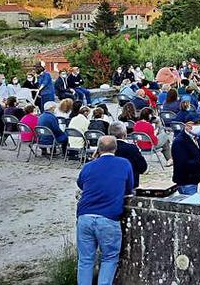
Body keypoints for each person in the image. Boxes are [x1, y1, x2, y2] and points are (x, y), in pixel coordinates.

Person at [75, 135, 134, 285]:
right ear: (116, 148)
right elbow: (129, 188)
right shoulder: (124, 164)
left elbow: (81, 184)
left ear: (98, 149)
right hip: (108, 218)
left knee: (85, 260)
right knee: (109, 258)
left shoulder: (89, 166)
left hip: (85, 216)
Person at [171, 118, 200, 195]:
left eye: (199, 123)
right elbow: (182, 163)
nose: (197, 126)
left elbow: (193, 154)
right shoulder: (180, 141)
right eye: (195, 124)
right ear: (187, 125)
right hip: (186, 181)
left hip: (192, 180)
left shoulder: (193, 137)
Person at [109, 121, 147, 188]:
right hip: (129, 184)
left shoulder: (105, 148)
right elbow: (143, 167)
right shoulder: (131, 148)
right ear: (125, 134)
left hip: (110, 183)